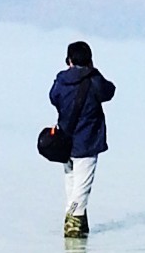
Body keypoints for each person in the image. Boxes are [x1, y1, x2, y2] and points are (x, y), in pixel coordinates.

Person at [49, 39, 115, 239]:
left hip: (65, 141)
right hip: (86, 143)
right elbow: (109, 92)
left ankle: (76, 230)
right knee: (82, 187)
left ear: (68, 60)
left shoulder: (61, 80)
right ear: (90, 59)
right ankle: (74, 225)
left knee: (71, 183)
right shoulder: (94, 79)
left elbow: (53, 98)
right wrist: (93, 71)